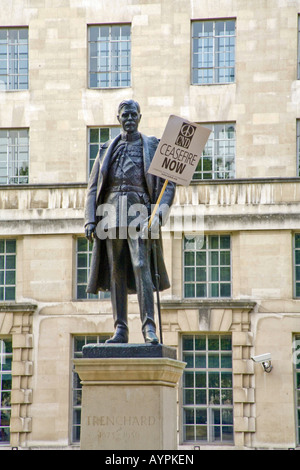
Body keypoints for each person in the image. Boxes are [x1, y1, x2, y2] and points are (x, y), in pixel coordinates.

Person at [84, 100, 175, 344]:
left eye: (134, 114)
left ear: (140, 117)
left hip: (140, 211)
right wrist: (90, 220)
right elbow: (93, 187)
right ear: (118, 118)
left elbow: (169, 185)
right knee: (116, 271)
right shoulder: (106, 149)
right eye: (125, 115)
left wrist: (158, 214)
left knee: (141, 265)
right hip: (111, 212)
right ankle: (120, 329)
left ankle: (149, 329)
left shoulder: (153, 146)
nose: (130, 118)